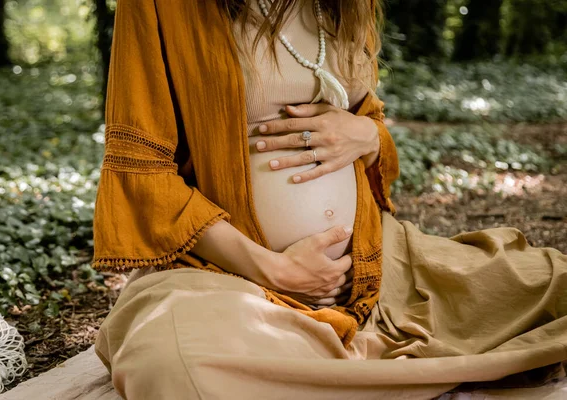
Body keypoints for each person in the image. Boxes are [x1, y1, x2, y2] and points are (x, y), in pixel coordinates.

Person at [91, 0, 567, 398]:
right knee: (174, 362)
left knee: (550, 282)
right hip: (224, 277)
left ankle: (335, 365)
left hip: (374, 266)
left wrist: (369, 134)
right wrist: (272, 269)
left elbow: (369, 118)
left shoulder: (346, 3)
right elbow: (144, 167)